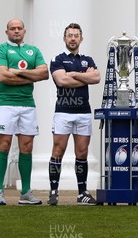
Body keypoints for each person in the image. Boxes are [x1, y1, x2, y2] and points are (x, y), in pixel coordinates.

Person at [0, 19, 49, 205]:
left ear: (24, 31)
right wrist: (30, 75)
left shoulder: (33, 50)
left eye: (19, 28)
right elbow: (1, 75)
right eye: (12, 29)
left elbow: (44, 73)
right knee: (4, 144)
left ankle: (25, 192)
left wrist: (15, 73)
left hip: (27, 104)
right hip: (6, 103)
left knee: (27, 147)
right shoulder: (1, 50)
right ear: (6, 31)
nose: (16, 31)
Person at [47, 23, 101, 206]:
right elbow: (61, 81)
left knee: (82, 153)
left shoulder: (88, 59)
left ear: (81, 39)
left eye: (76, 36)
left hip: (83, 113)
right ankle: (53, 191)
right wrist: (83, 76)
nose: (72, 38)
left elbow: (96, 78)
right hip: (63, 112)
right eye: (69, 35)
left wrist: (73, 75)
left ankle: (82, 193)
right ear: (64, 38)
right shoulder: (58, 58)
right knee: (58, 151)